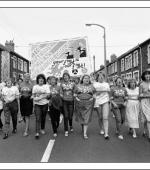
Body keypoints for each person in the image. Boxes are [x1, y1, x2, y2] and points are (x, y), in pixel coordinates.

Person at [74, 74, 95, 139]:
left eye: (88, 78)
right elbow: (74, 94)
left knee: (86, 117)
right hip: (79, 103)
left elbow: (94, 94)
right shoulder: (77, 86)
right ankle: (83, 127)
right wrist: (77, 98)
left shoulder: (92, 86)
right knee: (81, 117)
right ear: (82, 79)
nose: (87, 79)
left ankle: (85, 133)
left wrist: (92, 98)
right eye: (85, 78)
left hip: (88, 104)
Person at [32, 74, 50, 139]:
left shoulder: (46, 86)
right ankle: (37, 132)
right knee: (38, 118)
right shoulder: (35, 87)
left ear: (44, 80)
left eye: (42, 78)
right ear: (37, 80)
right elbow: (33, 95)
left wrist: (41, 97)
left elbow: (48, 94)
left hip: (45, 104)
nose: (41, 79)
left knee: (43, 117)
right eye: (39, 78)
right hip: (37, 105)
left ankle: (42, 128)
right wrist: (33, 98)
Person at [93, 72, 110, 139]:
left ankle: (106, 133)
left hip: (105, 100)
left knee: (105, 117)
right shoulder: (94, 84)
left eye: (102, 76)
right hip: (97, 101)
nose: (101, 77)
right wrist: (97, 93)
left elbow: (109, 92)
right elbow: (93, 93)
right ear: (97, 78)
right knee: (100, 117)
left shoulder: (106, 84)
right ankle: (101, 129)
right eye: (100, 76)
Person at [60, 72, 75, 137]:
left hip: (71, 101)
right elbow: (60, 92)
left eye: (66, 76)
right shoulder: (61, 84)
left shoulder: (73, 84)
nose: (65, 77)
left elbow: (75, 91)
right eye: (64, 76)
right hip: (64, 102)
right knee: (66, 116)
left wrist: (74, 95)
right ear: (63, 78)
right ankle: (66, 130)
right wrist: (62, 97)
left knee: (70, 115)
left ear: (69, 77)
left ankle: (71, 125)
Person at [139, 69, 150, 142]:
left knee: (148, 119)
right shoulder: (141, 84)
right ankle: (148, 134)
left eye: (148, 74)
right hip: (145, 102)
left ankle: (145, 131)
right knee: (147, 119)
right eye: (146, 75)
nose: (148, 76)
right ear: (144, 76)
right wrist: (146, 94)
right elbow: (139, 95)